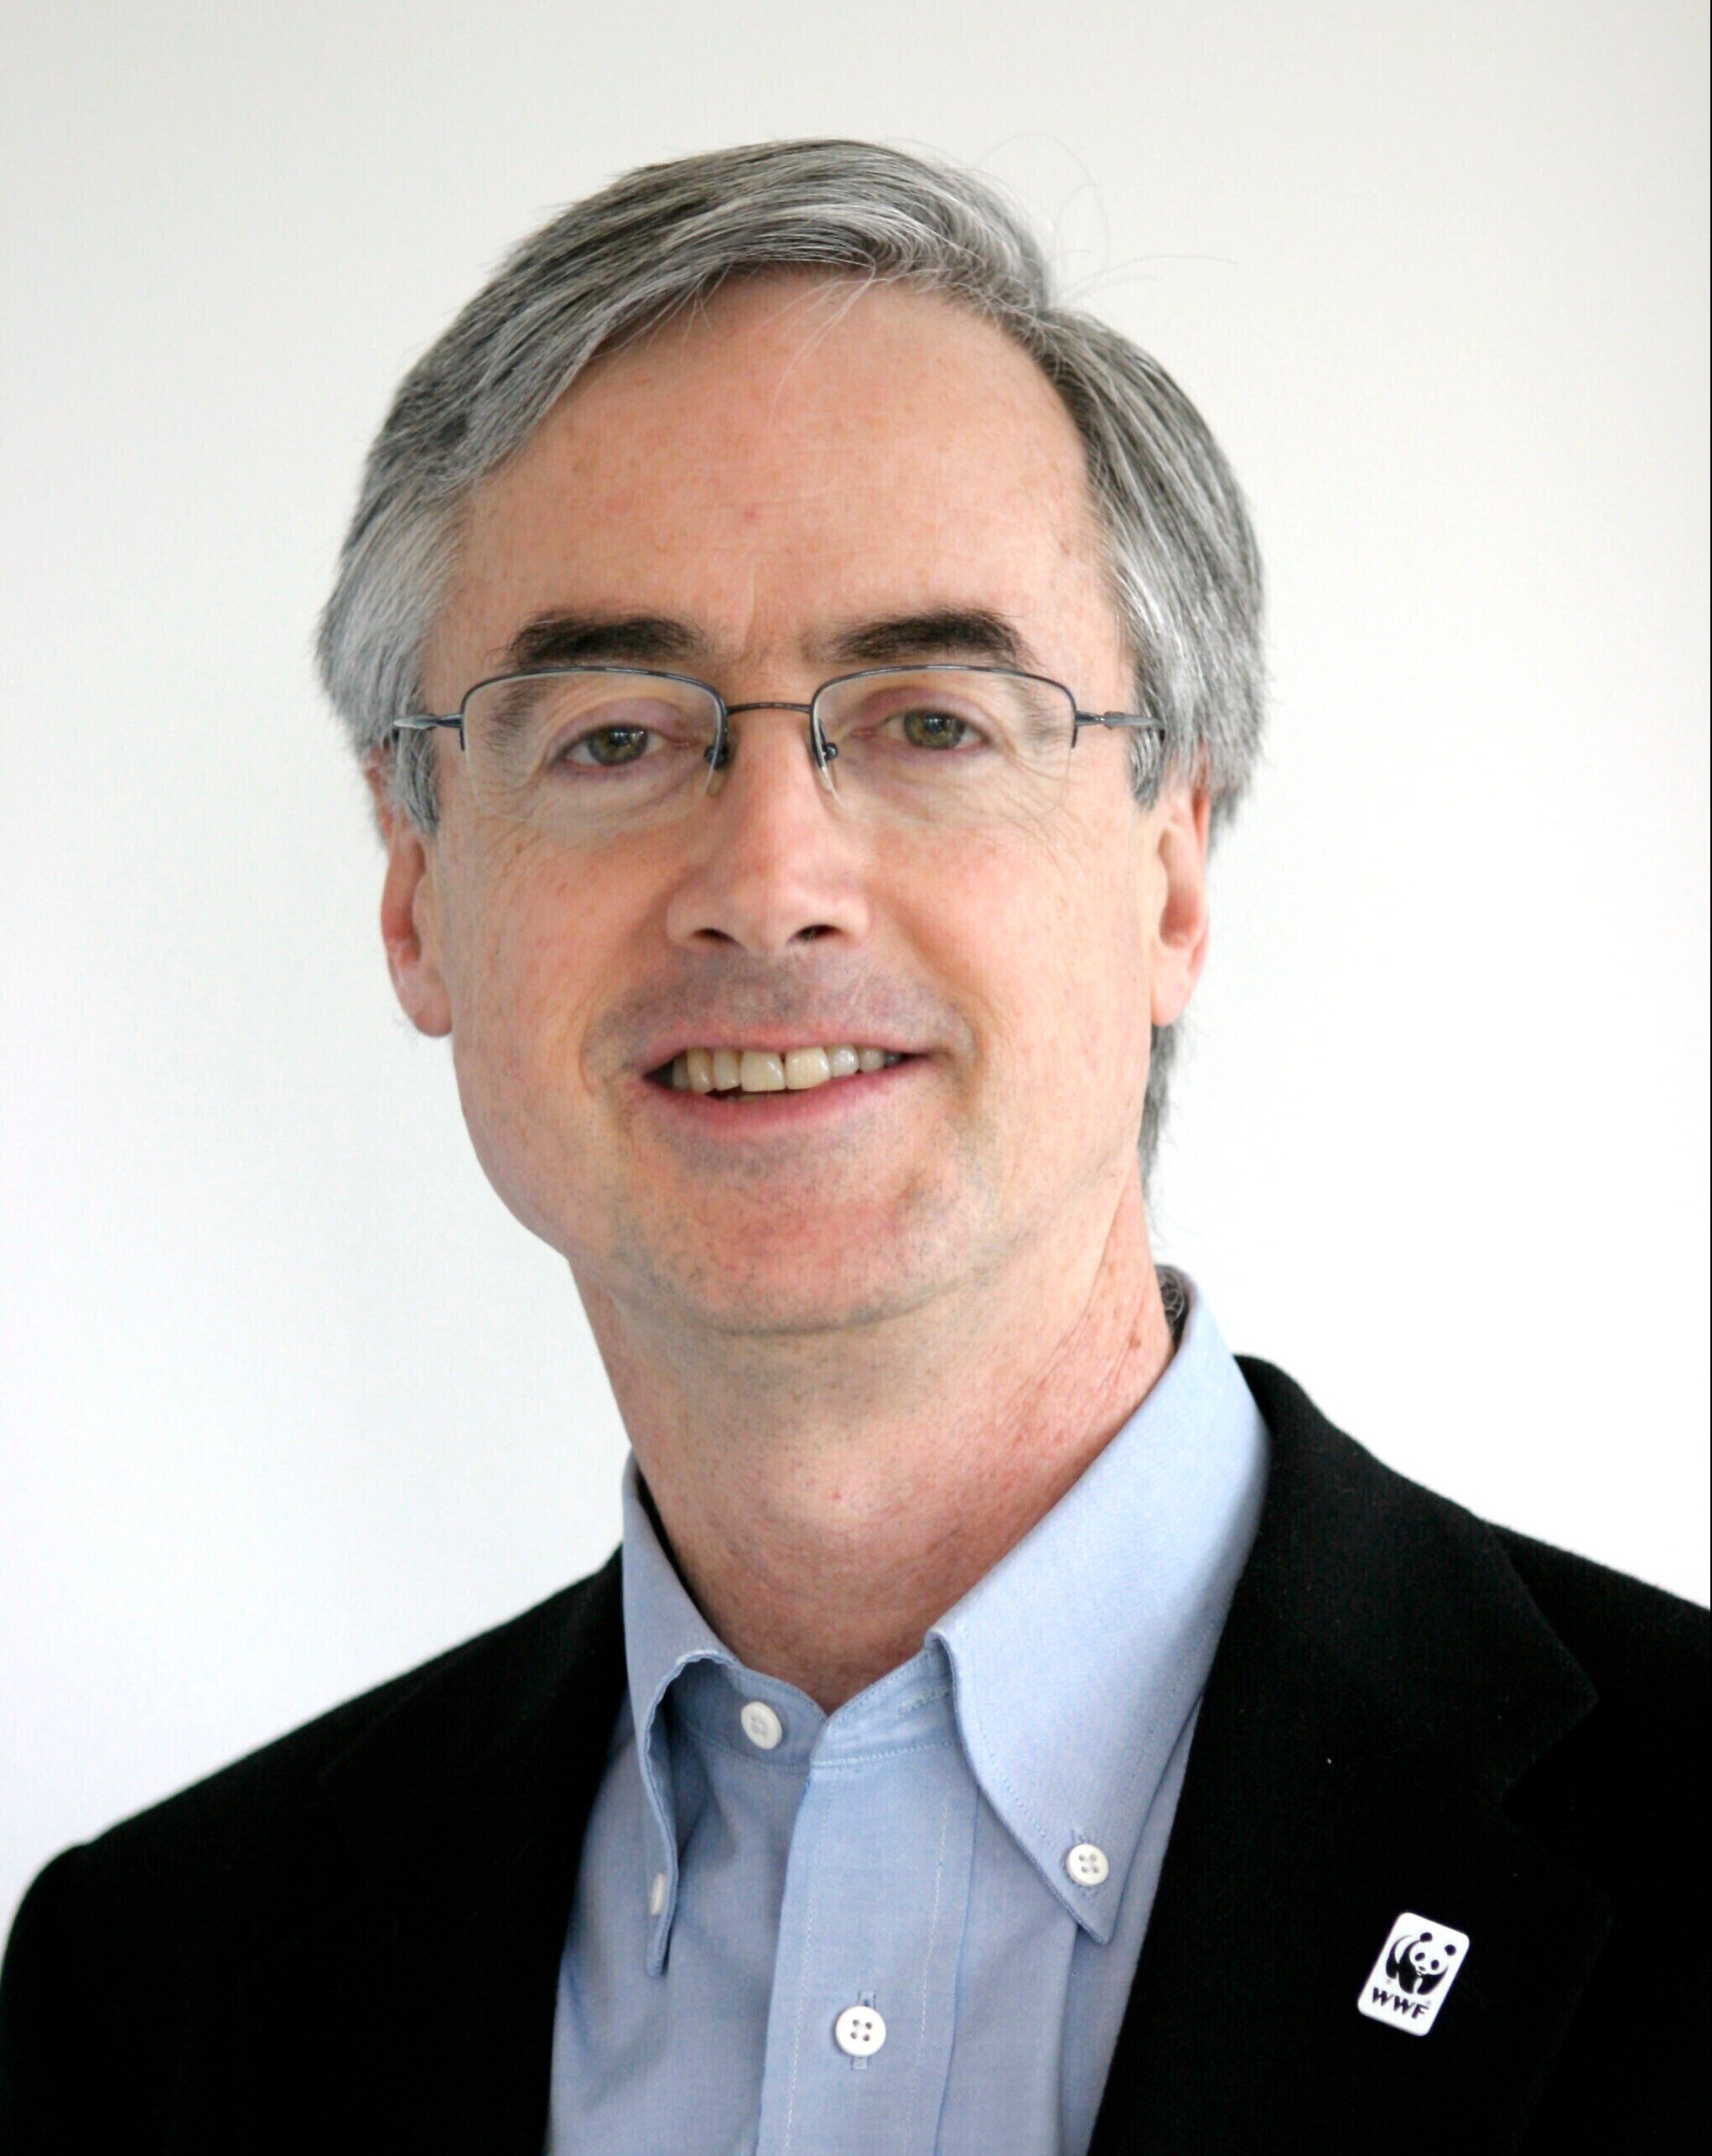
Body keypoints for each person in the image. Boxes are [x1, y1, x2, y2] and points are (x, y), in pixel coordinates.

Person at [1, 139, 1704, 2155]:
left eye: (930, 720)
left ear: (1172, 871)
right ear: (414, 890)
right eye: (613, 734)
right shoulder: (155, 1989)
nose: (769, 880)